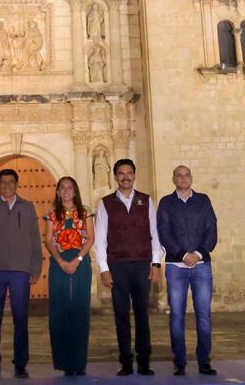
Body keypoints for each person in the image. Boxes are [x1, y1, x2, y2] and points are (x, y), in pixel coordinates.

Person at [94, 158, 162, 376]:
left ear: (134, 175)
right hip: (118, 267)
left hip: (142, 265)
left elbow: (155, 235)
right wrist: (104, 268)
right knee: (121, 314)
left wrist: (156, 263)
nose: (125, 177)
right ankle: (125, 362)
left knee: (142, 313)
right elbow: (100, 239)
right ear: (115, 176)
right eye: (121, 173)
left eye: (129, 173)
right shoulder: (105, 204)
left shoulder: (146, 201)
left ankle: (144, 361)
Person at [0, 168, 43, 379]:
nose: (7, 185)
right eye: (3, 182)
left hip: (20, 271)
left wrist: (35, 267)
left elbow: (34, 238)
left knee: (20, 319)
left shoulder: (28, 207)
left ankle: (21, 364)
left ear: (17, 184)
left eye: (11, 182)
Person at [156, 165, 218, 376]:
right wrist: (183, 255)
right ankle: (179, 362)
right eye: (179, 175)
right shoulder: (166, 203)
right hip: (176, 267)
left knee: (203, 315)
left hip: (201, 266)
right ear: (173, 179)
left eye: (186, 175)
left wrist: (198, 254)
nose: (183, 178)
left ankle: (204, 361)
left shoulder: (203, 201)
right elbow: (163, 232)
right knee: (176, 315)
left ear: (191, 178)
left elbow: (211, 229)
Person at [43, 176, 96, 377]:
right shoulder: (51, 214)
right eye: (62, 188)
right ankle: (64, 363)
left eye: (70, 188)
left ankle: (79, 362)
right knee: (59, 310)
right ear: (58, 192)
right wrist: (60, 261)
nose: (66, 191)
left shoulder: (85, 212)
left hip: (81, 260)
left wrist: (77, 260)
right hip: (58, 261)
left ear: (75, 191)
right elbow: (48, 240)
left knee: (80, 309)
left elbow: (90, 238)